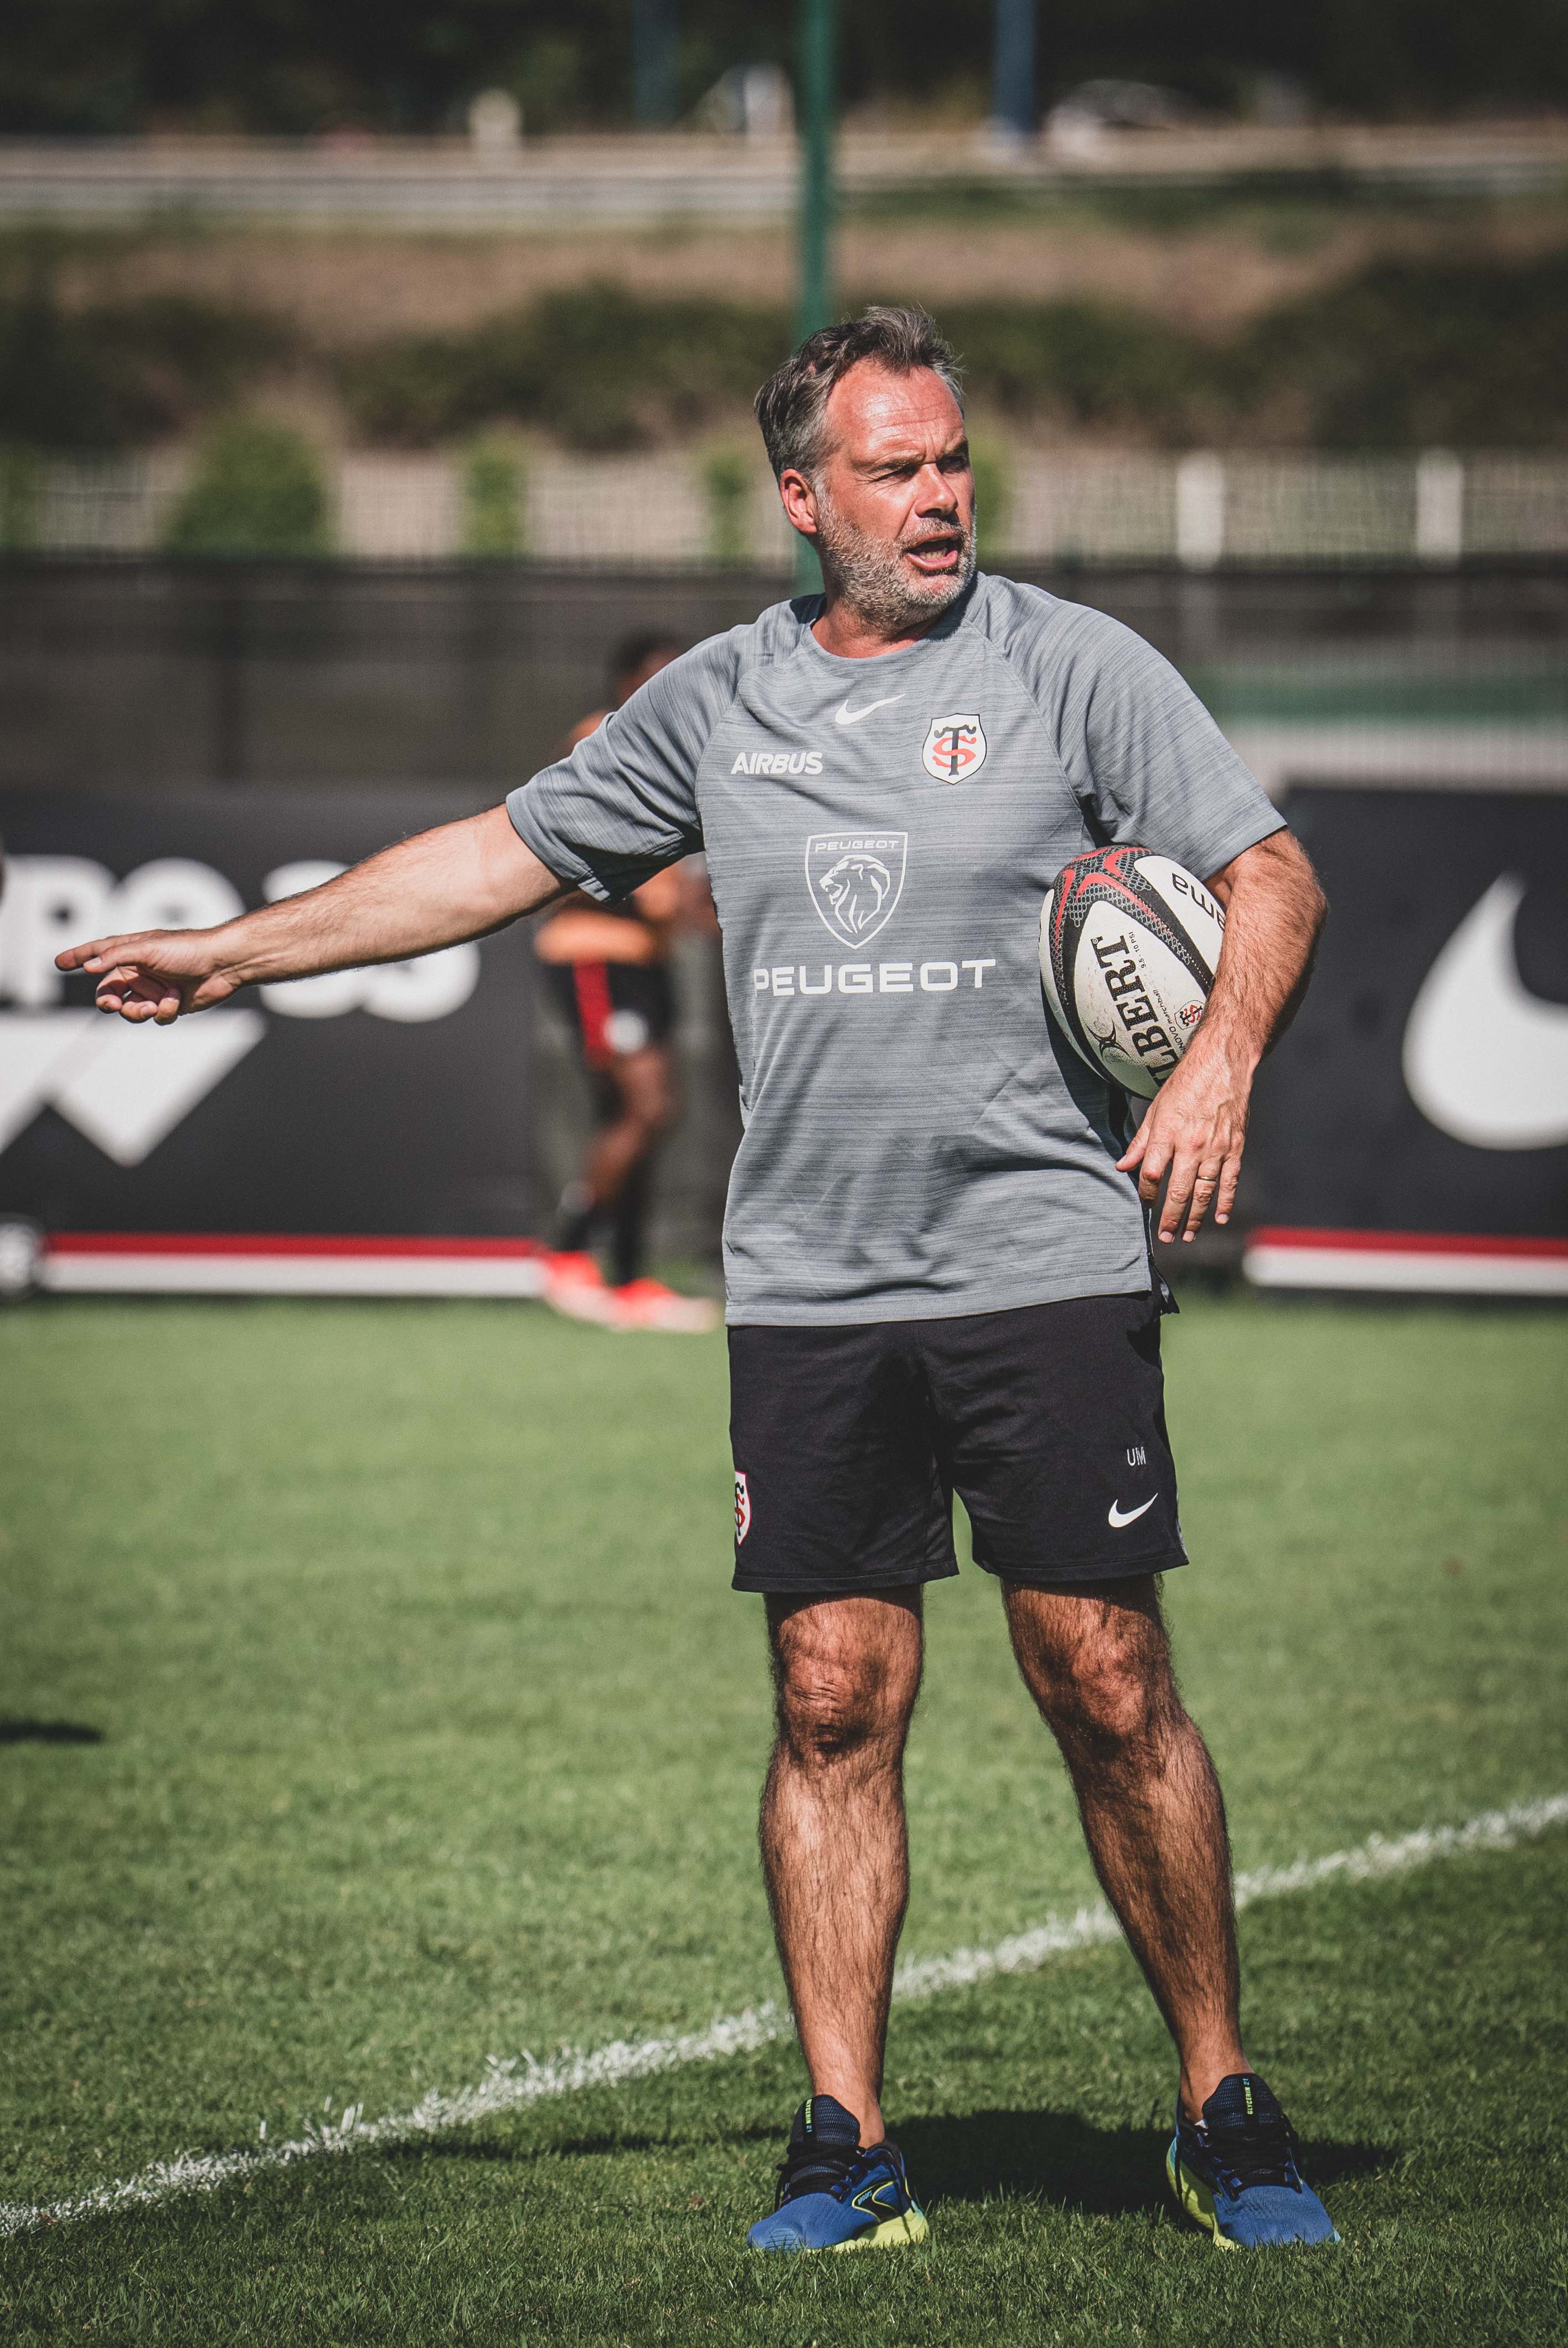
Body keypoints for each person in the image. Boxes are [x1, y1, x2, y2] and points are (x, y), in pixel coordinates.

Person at [58, 306, 1335, 2256]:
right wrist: (239, 951)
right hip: (811, 1282)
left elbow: (1272, 876)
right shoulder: (716, 699)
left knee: (1105, 1674)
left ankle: (1222, 2107)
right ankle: (845, 2137)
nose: (937, 497)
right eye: (893, 469)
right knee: (833, 1697)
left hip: (1040, 1261)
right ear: (800, 492)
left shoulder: (1074, 664)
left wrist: (1220, 1059)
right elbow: (494, 857)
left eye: (952, 459)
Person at [536, 632, 716, 1333]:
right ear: (622, 684)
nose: (665, 691)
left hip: (649, 960)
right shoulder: (596, 741)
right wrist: (635, 896)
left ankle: (632, 1278)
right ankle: (567, 1252)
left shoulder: (684, 753)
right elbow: (553, 854)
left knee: (647, 1115)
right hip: (595, 955)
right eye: (652, 678)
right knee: (643, 1107)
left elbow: (681, 881)